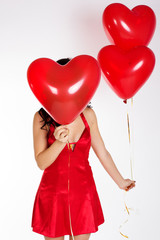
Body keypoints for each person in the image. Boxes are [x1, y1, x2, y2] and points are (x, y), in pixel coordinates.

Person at [31, 58, 136, 240]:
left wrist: (120, 181)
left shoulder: (88, 115)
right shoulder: (41, 118)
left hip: (83, 192)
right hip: (53, 193)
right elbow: (41, 163)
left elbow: (102, 152)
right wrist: (58, 143)